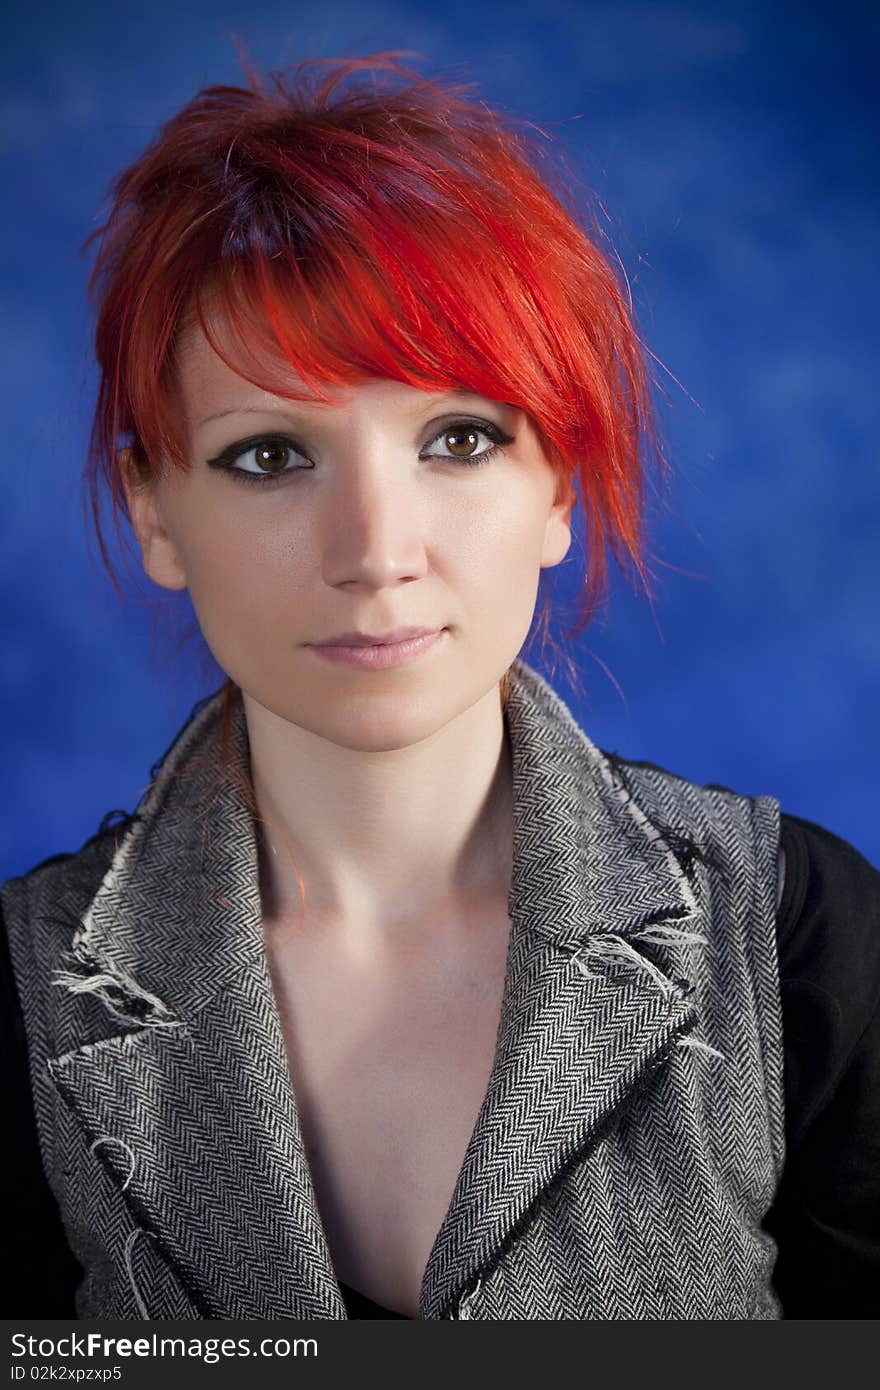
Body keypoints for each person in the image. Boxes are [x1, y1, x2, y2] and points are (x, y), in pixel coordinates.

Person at [3, 52, 878, 1322]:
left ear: (560, 484)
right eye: (268, 455)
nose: (375, 552)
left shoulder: (797, 940)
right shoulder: (26, 993)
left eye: (458, 438)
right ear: (155, 512)